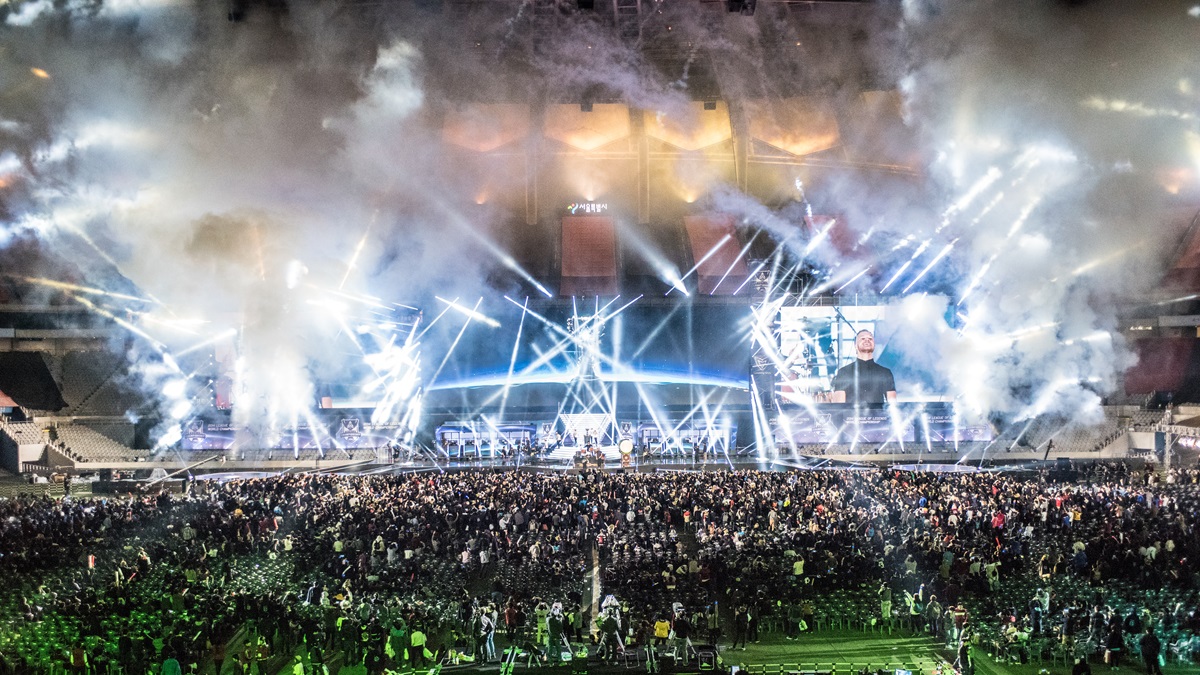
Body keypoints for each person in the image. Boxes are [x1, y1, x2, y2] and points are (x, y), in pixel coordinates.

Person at [829, 330, 896, 405]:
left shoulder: (885, 373)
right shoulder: (844, 372)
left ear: (874, 344)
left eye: (870, 339)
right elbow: (839, 406)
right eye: (862, 338)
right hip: (852, 416)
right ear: (855, 345)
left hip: (878, 416)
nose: (867, 341)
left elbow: (892, 406)